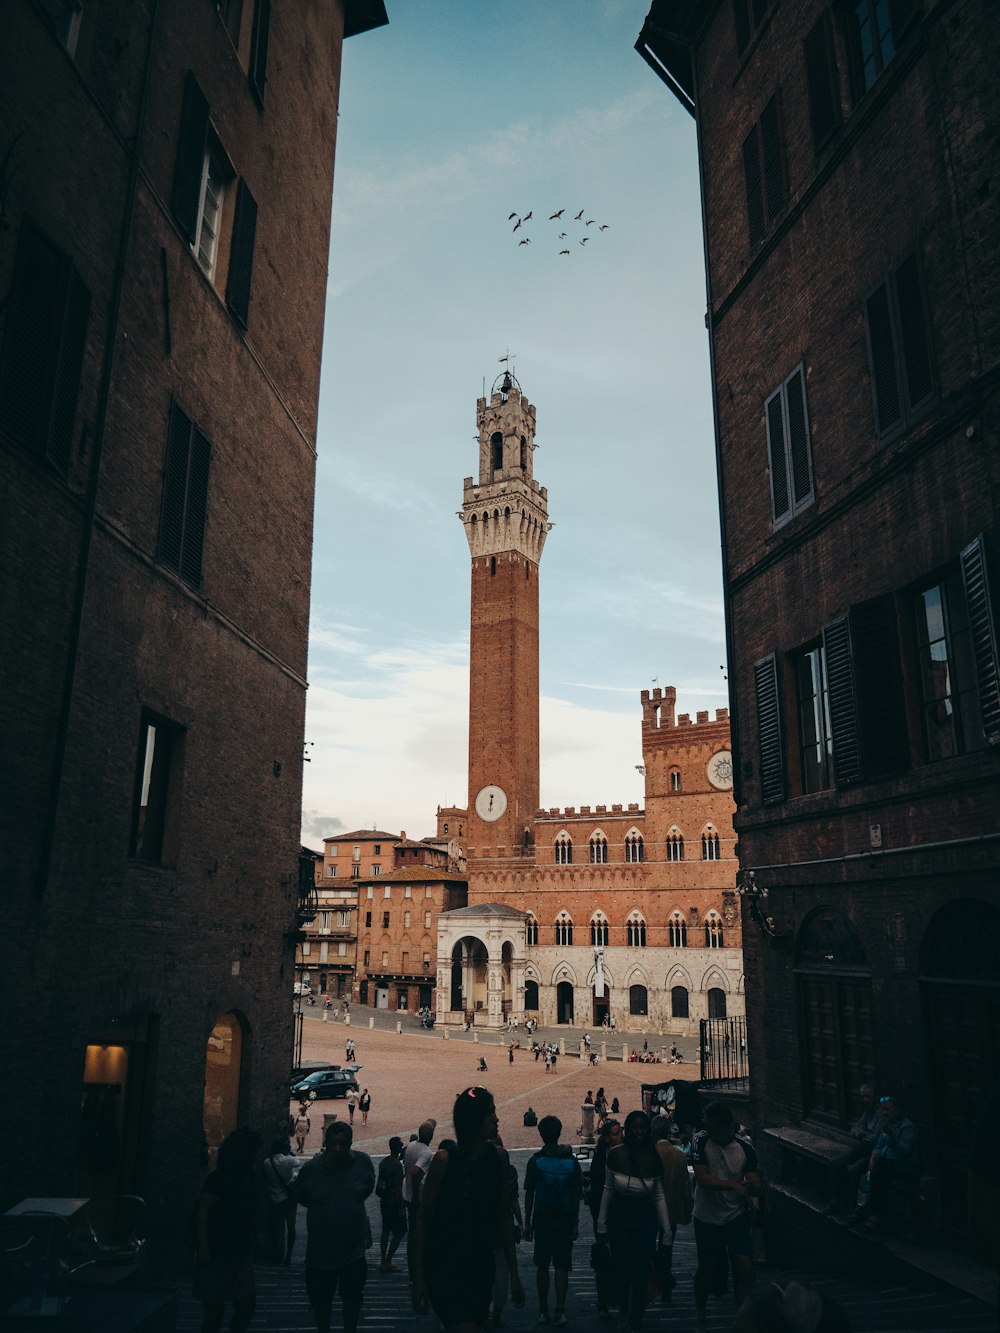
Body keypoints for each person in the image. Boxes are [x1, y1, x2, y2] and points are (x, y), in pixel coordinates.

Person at [412, 1087, 525, 1331]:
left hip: (481, 1268)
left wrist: (514, 1275)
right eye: (490, 1114)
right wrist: (419, 1278)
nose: (496, 1119)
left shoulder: (499, 1159)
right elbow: (423, 1218)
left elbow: (505, 1218)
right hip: (444, 1266)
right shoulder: (444, 1160)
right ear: (474, 1121)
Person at [291, 1120, 375, 1333]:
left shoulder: (363, 1163)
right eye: (334, 1143)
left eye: (343, 1143)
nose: (338, 1148)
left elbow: (364, 1191)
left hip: (353, 1250)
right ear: (326, 1143)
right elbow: (301, 1196)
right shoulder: (311, 1170)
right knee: (321, 1301)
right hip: (320, 1253)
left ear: (350, 1144)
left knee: (353, 1296)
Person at [596, 1110, 670, 1333]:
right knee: (621, 1269)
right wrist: (601, 1223)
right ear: (629, 1130)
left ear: (648, 1131)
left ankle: (636, 1313)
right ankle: (624, 1310)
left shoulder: (654, 1158)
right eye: (634, 1128)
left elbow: (658, 1196)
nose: (638, 1132)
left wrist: (666, 1230)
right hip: (619, 1215)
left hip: (644, 1218)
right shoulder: (616, 1154)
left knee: (640, 1270)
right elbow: (608, 1189)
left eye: (642, 1128)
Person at [691, 1101, 762, 1323]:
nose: (708, 1131)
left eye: (713, 1128)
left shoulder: (745, 1147)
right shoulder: (700, 1140)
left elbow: (755, 1181)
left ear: (728, 1127)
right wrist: (733, 1186)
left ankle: (744, 1316)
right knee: (707, 1267)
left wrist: (752, 1187)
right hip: (706, 1216)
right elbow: (702, 1179)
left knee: (744, 1265)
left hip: (735, 1215)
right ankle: (700, 1312)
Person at [193, 1127, 260, 1333]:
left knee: (245, 1305)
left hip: (240, 1251)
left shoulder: (249, 1179)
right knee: (215, 1312)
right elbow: (202, 1213)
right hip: (216, 1252)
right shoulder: (218, 1180)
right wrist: (204, 1250)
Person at [524, 1115, 582, 1327]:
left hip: (543, 1218)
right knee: (561, 1266)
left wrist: (527, 1223)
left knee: (542, 1265)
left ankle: (542, 1309)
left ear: (541, 1134)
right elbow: (576, 1193)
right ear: (559, 1133)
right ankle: (560, 1308)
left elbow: (530, 1193)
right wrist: (575, 1222)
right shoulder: (570, 1161)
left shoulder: (536, 1161)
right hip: (564, 1219)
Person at [860, 1095, 919, 1232]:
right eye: (883, 1110)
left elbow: (906, 1151)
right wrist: (871, 1163)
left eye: (888, 1110)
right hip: (885, 1161)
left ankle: (875, 1216)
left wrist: (893, 1135)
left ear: (897, 1110)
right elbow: (878, 1147)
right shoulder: (886, 1125)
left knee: (877, 1177)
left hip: (900, 1165)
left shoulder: (907, 1127)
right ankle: (859, 1208)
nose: (884, 1113)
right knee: (863, 1172)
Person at [651, 1115, 693, 1303]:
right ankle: (666, 1285)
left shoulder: (649, 1153)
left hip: (650, 1210)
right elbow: (686, 1186)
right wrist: (688, 1209)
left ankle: (653, 1283)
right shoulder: (679, 1155)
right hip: (672, 1210)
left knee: (649, 1247)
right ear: (669, 1132)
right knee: (667, 1247)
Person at [589, 1119, 623, 1316]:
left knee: (621, 1259)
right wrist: (599, 1218)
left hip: (622, 1215)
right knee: (603, 1261)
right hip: (604, 1216)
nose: (620, 1137)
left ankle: (618, 1297)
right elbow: (596, 1192)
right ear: (607, 1138)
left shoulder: (627, 1154)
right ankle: (602, 1299)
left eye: (620, 1132)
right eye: (616, 1134)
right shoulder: (601, 1158)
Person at [402, 1118, 437, 1286]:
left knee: (412, 1237)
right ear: (431, 1136)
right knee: (422, 1237)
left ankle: (412, 1273)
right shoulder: (426, 1153)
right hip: (417, 1199)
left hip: (407, 1195)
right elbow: (416, 1171)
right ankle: (420, 1275)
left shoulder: (410, 1146)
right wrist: (417, 1195)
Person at [843, 1084, 885, 1220]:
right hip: (866, 1149)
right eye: (863, 1097)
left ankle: (856, 1211)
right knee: (838, 1163)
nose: (865, 1100)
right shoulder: (867, 1112)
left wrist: (862, 1134)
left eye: (868, 1096)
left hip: (875, 1154)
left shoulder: (880, 1115)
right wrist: (863, 1133)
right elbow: (854, 1129)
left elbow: (874, 1139)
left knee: (855, 1171)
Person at [262, 1136, 298, 1265]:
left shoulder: (267, 1163)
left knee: (278, 1229)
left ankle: (278, 1255)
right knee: (291, 1227)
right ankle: (288, 1255)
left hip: (276, 1199)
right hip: (289, 1199)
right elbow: (297, 1162)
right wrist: (288, 1153)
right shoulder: (288, 1160)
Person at [375, 1136, 407, 1273]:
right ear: (398, 1147)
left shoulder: (384, 1162)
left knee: (386, 1231)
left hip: (384, 1201)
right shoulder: (397, 1165)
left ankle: (383, 1259)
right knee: (400, 1232)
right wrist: (401, 1207)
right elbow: (398, 1189)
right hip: (393, 1203)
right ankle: (388, 1260)